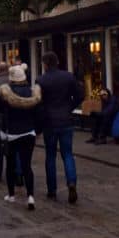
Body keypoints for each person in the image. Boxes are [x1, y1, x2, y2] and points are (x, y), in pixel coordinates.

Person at [37, 51, 84, 203]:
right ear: (57, 62)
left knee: (50, 156)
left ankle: (52, 189)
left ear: (45, 64)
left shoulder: (41, 80)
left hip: (49, 123)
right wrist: (70, 107)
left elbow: (38, 103)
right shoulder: (68, 77)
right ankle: (71, 182)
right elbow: (80, 95)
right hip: (66, 120)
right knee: (68, 154)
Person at [0, 65, 43, 209]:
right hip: (28, 132)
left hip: (12, 133)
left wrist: (2, 130)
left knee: (10, 165)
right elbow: (37, 114)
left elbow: (2, 112)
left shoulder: (7, 93)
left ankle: (11, 195)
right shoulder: (31, 92)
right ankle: (30, 196)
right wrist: (37, 130)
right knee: (27, 165)